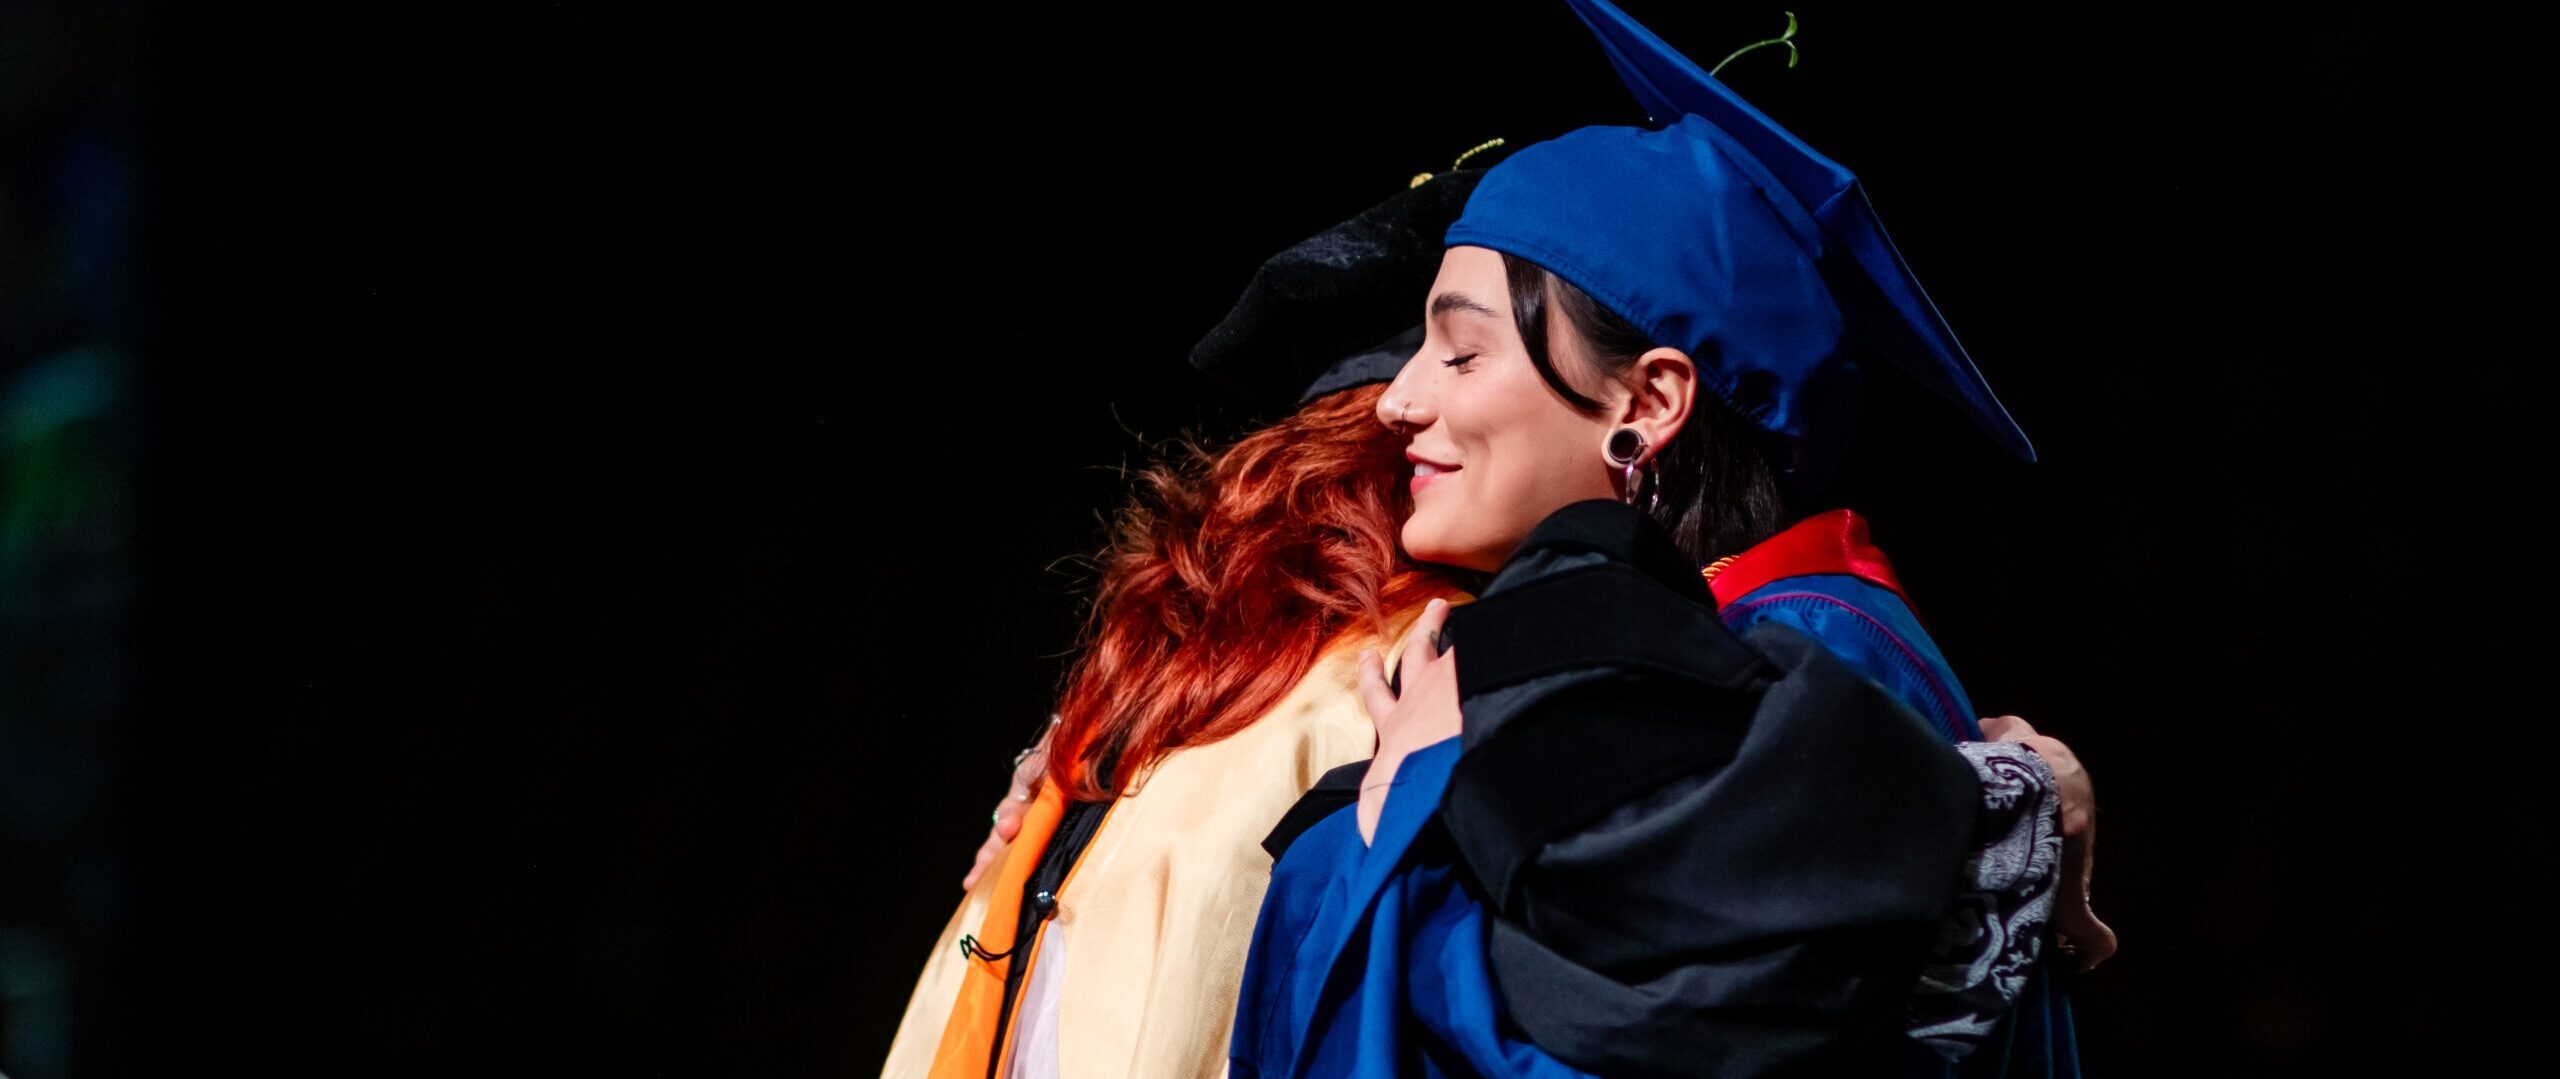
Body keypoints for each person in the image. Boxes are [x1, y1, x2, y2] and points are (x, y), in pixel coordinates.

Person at [1232, 2, 2103, 1076]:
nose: (1393, 400)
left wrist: (1417, 789)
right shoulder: (1730, 645)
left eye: (1459, 353)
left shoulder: (1821, 656)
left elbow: (1660, 1042)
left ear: (1647, 400)